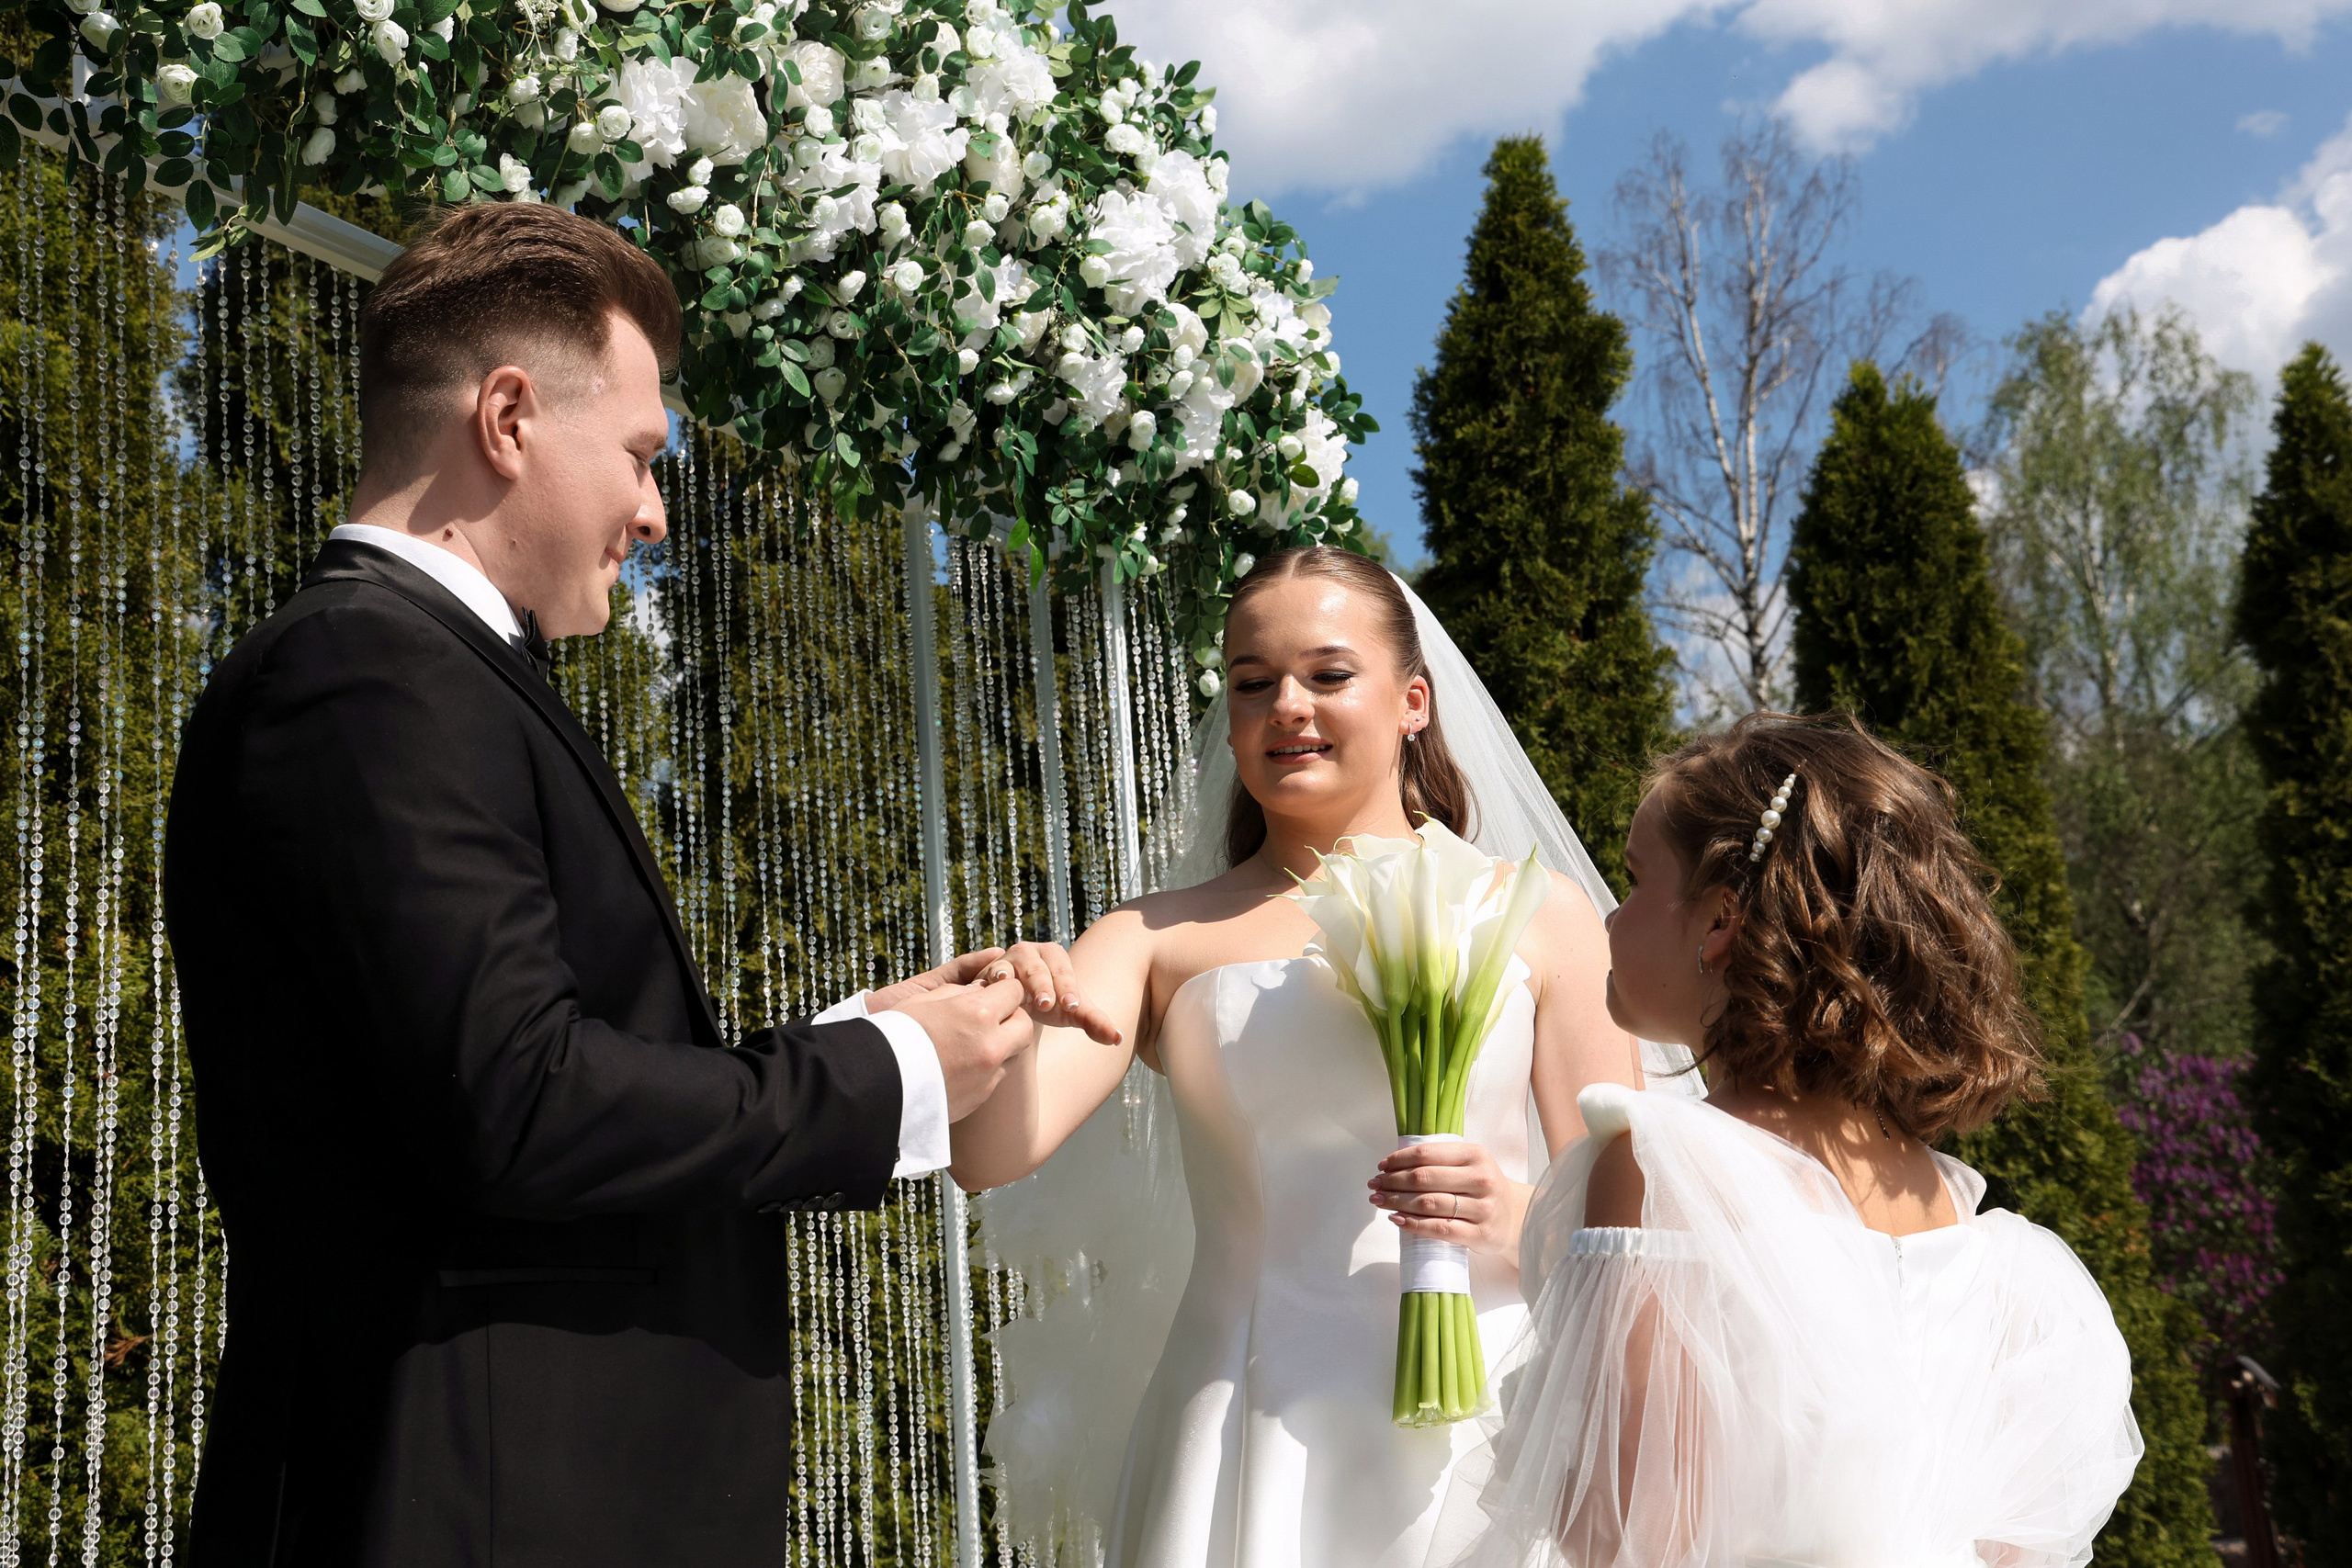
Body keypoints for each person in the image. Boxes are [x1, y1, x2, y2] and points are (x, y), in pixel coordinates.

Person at [163, 203, 1113, 1567]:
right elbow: (520, 1103)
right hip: (465, 1506)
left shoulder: (434, 674)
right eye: (641, 455)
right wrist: (888, 1070)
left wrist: (862, 1033)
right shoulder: (369, 672)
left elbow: (530, 1072)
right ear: (506, 417)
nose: (656, 512)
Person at [955, 546, 1694, 1568]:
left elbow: (1638, 1225)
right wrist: (1005, 1010)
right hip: (1240, 1419)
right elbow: (994, 1150)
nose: (1285, 707)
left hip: (1488, 1423)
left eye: (1328, 676)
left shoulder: (1536, 914)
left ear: (1413, 701)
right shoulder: (1149, 938)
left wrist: (1518, 1215)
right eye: (1252, 684)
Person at [1447, 713, 2143, 1568]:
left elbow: (1620, 1523)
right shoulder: (1948, 1201)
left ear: (1717, 922)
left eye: (1632, 883)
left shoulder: (1661, 1163)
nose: (1611, 914)